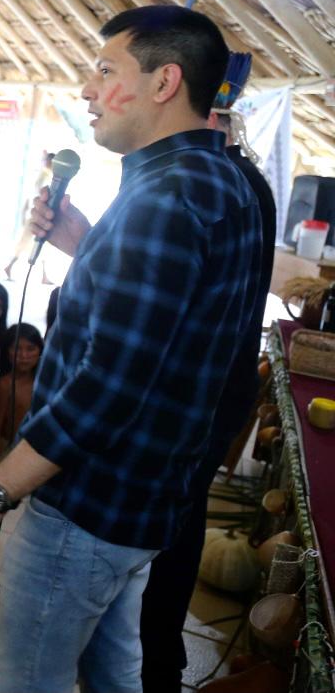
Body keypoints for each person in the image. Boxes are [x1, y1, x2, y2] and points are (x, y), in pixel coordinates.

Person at [0, 5, 264, 693]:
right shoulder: (220, 179)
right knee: (113, 673)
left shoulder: (163, 200)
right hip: (143, 499)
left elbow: (108, 386)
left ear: (165, 82)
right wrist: (88, 243)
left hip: (87, 505)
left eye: (106, 70)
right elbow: (176, 318)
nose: (87, 88)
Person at [140, 53, 277, 693]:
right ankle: (151, 659)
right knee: (175, 522)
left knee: (169, 528)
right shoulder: (243, 179)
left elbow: (168, 297)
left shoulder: (207, 181)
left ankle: (152, 664)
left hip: (192, 388)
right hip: (213, 383)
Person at [0, 324, 43, 457]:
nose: (24, 355)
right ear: (7, 352)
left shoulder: (43, 382)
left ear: (40, 351)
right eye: (17, 349)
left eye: (31, 349)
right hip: (11, 449)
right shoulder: (5, 385)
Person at [3, 151, 55, 282]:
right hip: (37, 215)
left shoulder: (46, 175)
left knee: (40, 244)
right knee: (26, 243)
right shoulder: (45, 176)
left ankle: (44, 275)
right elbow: (37, 196)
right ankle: (10, 266)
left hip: (39, 215)